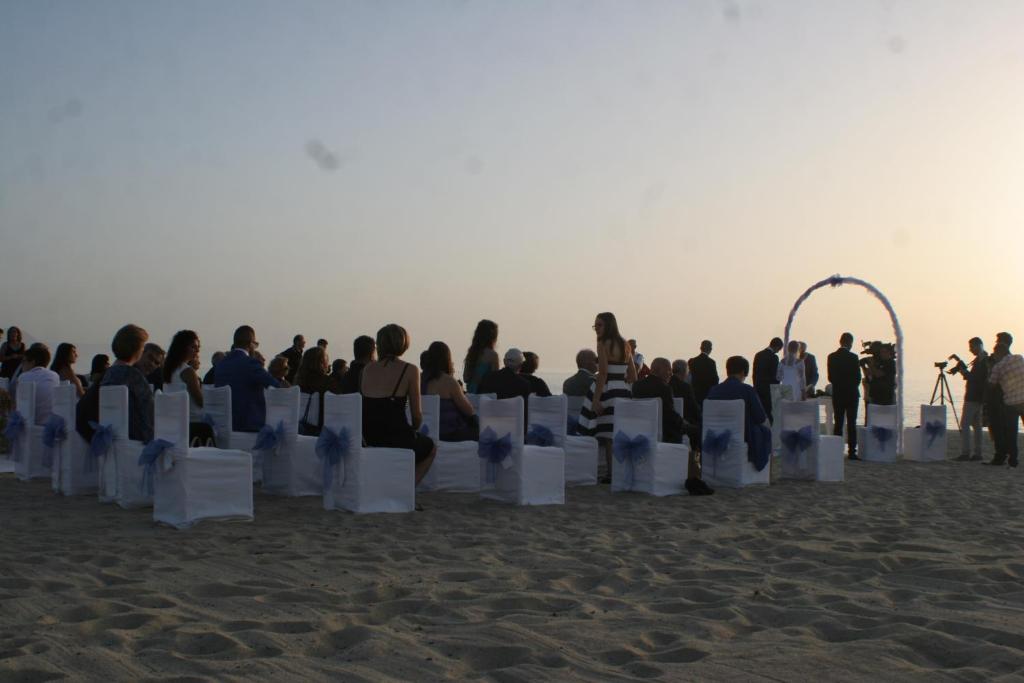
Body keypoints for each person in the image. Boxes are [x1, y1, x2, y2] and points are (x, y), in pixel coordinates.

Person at [360, 324, 436, 493]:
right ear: (403, 343)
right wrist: (414, 428)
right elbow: (416, 416)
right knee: (430, 447)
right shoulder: (410, 370)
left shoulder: (367, 369)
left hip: (369, 436)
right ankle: (405, 490)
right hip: (396, 437)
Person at [631, 358, 712, 495]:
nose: (670, 373)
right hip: (664, 430)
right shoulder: (664, 387)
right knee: (696, 432)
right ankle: (694, 476)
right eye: (668, 370)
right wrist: (684, 424)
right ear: (658, 370)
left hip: (642, 429)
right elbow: (669, 415)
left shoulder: (637, 386)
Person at [579, 313, 636, 482]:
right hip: (623, 391)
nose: (596, 328)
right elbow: (633, 375)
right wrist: (622, 383)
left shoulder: (603, 343)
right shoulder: (626, 344)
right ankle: (618, 471)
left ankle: (611, 474)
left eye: (599, 325)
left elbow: (603, 373)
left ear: (608, 326)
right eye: (595, 325)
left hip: (608, 390)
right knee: (618, 432)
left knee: (608, 435)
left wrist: (596, 399)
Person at [706, 356, 772, 470]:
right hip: (743, 436)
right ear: (743, 372)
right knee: (765, 430)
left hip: (716, 434)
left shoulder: (714, 390)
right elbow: (760, 417)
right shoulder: (747, 390)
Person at [214, 325, 279, 432]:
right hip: (248, 426)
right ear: (250, 344)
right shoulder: (250, 363)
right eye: (255, 345)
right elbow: (276, 385)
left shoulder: (220, 365)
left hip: (223, 426)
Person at [100, 325, 155, 443]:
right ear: (136, 348)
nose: (143, 350)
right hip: (136, 442)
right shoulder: (133, 376)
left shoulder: (108, 374)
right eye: (142, 347)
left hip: (111, 440)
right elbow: (149, 414)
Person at [163, 330, 215, 445]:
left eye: (198, 348)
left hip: (173, 424)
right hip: (190, 423)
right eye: (193, 347)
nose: (197, 351)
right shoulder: (187, 371)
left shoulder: (170, 371)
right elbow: (200, 401)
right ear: (182, 348)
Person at [421, 341, 479, 441]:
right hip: (449, 434)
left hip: (426, 433)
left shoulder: (418, 379)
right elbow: (469, 411)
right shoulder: (449, 381)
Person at [951, 337, 988, 462]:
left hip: (973, 397)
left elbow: (974, 378)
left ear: (979, 345)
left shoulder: (982, 361)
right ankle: (978, 453)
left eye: (972, 347)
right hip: (979, 397)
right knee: (977, 426)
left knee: (965, 424)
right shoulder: (983, 359)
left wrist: (963, 371)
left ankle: (965, 453)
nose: (970, 350)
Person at [988, 342, 1023, 468]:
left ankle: (1013, 460)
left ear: (999, 353)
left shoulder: (998, 367)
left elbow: (991, 385)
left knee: (1011, 434)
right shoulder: (1019, 358)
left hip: (1011, 403)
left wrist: (990, 369)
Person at [828, 332, 862, 459]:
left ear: (840, 341)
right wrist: (851, 386)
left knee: (838, 422)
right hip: (852, 394)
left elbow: (831, 377)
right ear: (850, 343)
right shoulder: (853, 357)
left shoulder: (832, 357)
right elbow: (858, 377)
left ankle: (837, 450)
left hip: (838, 393)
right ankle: (852, 451)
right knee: (852, 423)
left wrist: (839, 385)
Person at [13, 343, 60, 424]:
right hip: (50, 423)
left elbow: (17, 403)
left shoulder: (23, 377)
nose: (22, 364)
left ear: (32, 362)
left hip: (30, 423)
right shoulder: (54, 375)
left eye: (23, 361)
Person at [294, 346, 331, 431]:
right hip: (321, 430)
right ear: (321, 363)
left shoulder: (298, 382)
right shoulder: (327, 383)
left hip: (301, 426)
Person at [463, 320, 499, 393]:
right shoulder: (493, 355)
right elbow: (495, 381)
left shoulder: (471, 353)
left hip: (471, 395)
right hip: (485, 395)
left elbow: (465, 378)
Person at [752, 337, 783, 422]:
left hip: (758, 387)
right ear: (777, 347)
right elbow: (775, 375)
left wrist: (755, 385)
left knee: (759, 412)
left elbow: (754, 372)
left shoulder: (758, 355)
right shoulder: (774, 357)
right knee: (769, 413)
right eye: (779, 349)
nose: (778, 351)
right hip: (768, 390)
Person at [669, 359, 702, 432]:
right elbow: (693, 408)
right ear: (683, 371)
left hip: (670, 423)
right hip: (684, 423)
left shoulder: (667, 384)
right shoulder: (685, 387)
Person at [687, 340, 719, 407]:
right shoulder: (711, 362)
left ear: (700, 348)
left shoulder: (692, 361)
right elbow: (715, 380)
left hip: (694, 394)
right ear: (710, 349)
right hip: (707, 394)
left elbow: (689, 377)